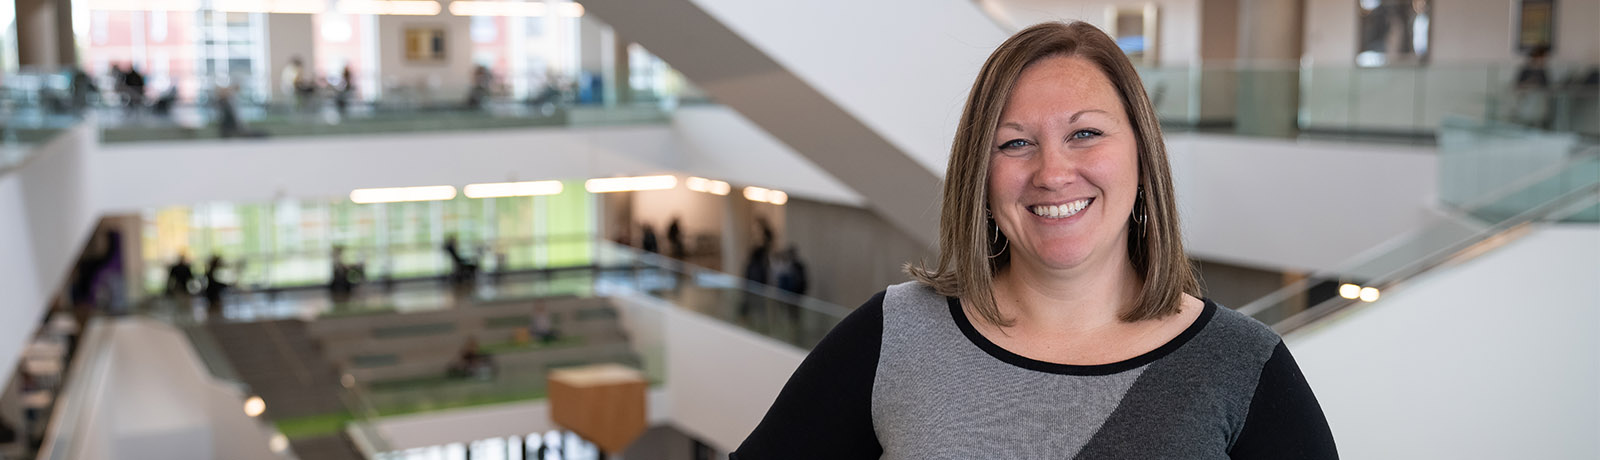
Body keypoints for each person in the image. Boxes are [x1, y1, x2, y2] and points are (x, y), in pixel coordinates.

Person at [734, 22, 1336, 459]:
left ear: (1142, 157)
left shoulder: (1243, 363)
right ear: (981, 175)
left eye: (1086, 134)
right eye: (1015, 142)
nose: (1052, 172)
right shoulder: (897, 333)